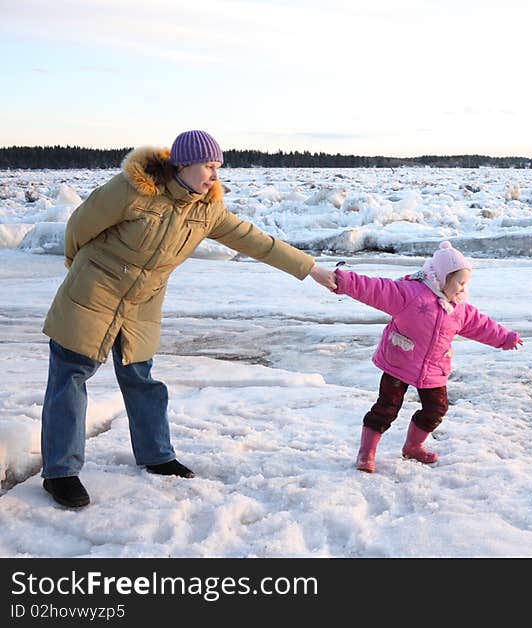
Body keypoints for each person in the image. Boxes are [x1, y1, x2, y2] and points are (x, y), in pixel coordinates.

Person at [40, 130, 337, 508]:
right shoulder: (133, 190)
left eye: (218, 167)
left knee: (140, 376)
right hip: (93, 292)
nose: (215, 175)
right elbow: (80, 227)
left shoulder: (206, 209)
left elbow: (255, 240)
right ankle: (61, 473)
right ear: (183, 164)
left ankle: (156, 455)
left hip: (142, 303)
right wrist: (79, 268)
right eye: (209, 166)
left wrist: (311, 268)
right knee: (71, 375)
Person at [332, 241, 523, 473]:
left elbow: (482, 326)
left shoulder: (459, 309)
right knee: (386, 408)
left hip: (433, 368)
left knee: (436, 409)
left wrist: (505, 338)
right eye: (459, 282)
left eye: (466, 283)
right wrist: (342, 281)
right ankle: (366, 453)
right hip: (399, 362)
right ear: (442, 278)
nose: (463, 288)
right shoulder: (410, 294)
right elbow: (374, 289)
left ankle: (413, 446)